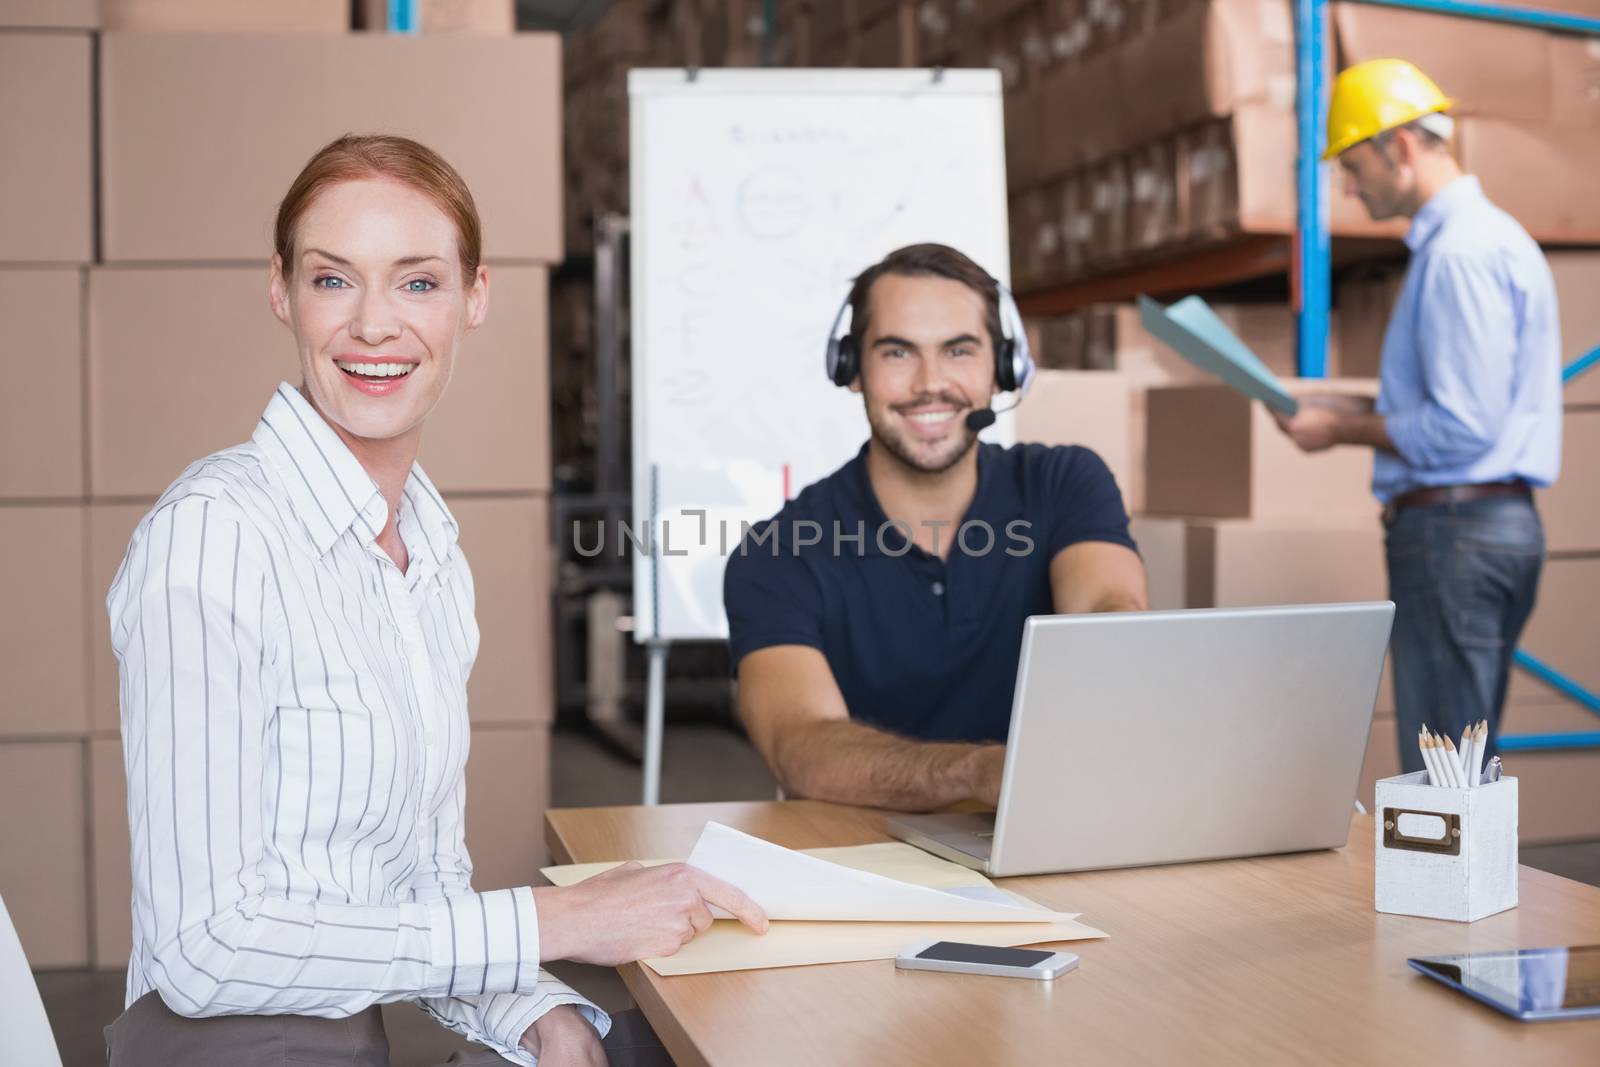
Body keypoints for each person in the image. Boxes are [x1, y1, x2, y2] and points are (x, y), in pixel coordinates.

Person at [104, 134, 766, 1067]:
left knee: (643, 1048)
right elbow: (204, 949)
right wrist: (558, 920)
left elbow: (424, 883)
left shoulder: (431, 555)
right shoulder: (213, 537)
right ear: (281, 291)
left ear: (474, 297)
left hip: (352, 1034)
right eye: (334, 280)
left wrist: (534, 1009)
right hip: (222, 1048)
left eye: (417, 282)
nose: (375, 325)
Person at [723, 243, 1148, 813]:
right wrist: (978, 774)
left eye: (959, 351)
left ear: (1002, 368)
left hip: (1056, 828)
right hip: (858, 860)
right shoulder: (778, 553)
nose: (931, 382)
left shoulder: (1064, 483)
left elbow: (1109, 612)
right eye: (898, 352)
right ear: (851, 370)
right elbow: (800, 744)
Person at [1273, 60, 1562, 774]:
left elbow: (1464, 425)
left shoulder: (1459, 255)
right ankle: (1472, 886)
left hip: (1454, 533)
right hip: (1481, 527)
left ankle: (1460, 891)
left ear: (1400, 147)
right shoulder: (1488, 240)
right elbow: (1464, 402)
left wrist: (1341, 430)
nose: (1348, 185)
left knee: (1448, 780)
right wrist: (1351, 408)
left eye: (1353, 163)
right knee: (1465, 767)